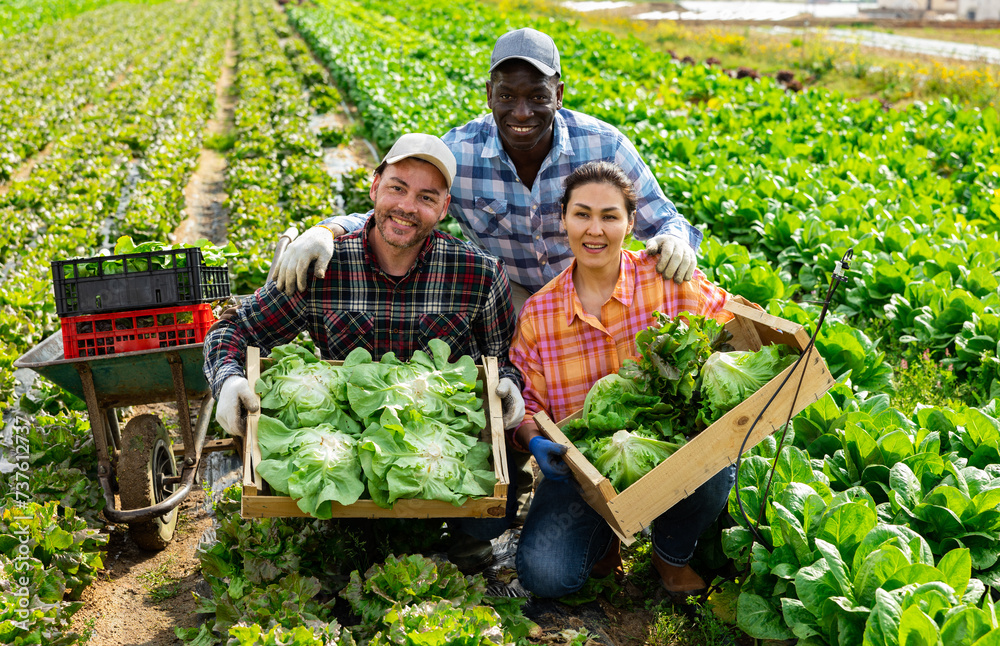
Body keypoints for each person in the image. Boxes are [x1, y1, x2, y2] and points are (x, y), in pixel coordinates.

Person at [204, 134, 525, 571]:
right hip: (343, 466)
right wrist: (228, 379)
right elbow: (233, 329)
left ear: (444, 208)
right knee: (340, 556)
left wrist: (510, 383)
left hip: (436, 461)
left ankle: (465, 540)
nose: (407, 207)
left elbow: (501, 357)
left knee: (487, 522)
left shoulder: (479, 275)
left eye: (426, 197)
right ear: (374, 187)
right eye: (397, 188)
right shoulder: (322, 267)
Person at [273, 28, 700, 309]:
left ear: (560, 94)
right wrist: (325, 231)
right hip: (511, 296)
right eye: (507, 95)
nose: (522, 111)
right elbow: (400, 210)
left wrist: (675, 241)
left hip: (595, 288)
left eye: (537, 96)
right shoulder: (458, 153)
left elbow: (664, 220)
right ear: (488, 93)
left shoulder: (604, 147)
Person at [508, 161, 737, 600]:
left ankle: (671, 553)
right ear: (564, 219)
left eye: (610, 216)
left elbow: (732, 320)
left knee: (718, 457)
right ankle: (607, 535)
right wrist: (533, 439)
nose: (595, 230)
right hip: (590, 472)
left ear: (631, 223)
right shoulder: (539, 312)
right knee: (545, 575)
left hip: (673, 453)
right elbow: (528, 403)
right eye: (582, 214)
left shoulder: (666, 281)